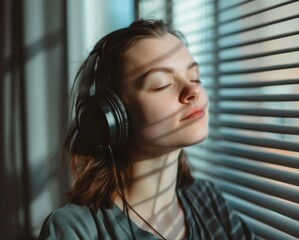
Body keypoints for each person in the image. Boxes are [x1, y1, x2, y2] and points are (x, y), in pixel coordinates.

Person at [38, 19, 255, 240]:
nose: (193, 90)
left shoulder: (208, 201)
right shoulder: (76, 230)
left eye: (195, 77)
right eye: (161, 84)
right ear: (110, 117)